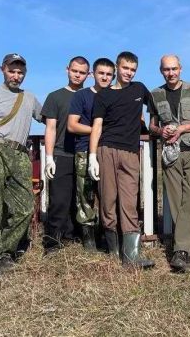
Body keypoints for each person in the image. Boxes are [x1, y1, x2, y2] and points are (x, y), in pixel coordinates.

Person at [0, 53, 43, 277]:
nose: (16, 76)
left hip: (20, 154)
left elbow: (48, 118)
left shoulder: (29, 98)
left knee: (24, 207)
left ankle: (3, 251)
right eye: (12, 71)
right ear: (2, 69)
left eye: (20, 72)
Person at [88, 51, 154, 269]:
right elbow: (97, 126)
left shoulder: (139, 89)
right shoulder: (103, 95)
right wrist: (92, 156)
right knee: (107, 200)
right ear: (118, 68)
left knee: (129, 201)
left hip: (130, 152)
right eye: (126, 68)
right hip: (106, 149)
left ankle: (131, 255)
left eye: (133, 69)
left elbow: (155, 108)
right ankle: (112, 248)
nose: (129, 73)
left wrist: (154, 126)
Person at [148, 55, 190, 273]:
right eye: (166, 69)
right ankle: (184, 251)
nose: (171, 73)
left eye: (174, 68)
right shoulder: (155, 94)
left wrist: (182, 129)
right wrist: (160, 131)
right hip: (170, 152)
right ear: (161, 71)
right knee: (175, 199)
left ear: (181, 69)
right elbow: (152, 125)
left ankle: (181, 249)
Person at [41, 56, 90, 255]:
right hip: (62, 153)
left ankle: (74, 235)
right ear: (67, 69)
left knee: (81, 198)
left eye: (82, 72)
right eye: (75, 71)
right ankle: (53, 242)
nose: (78, 75)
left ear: (89, 74)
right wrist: (49, 156)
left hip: (84, 153)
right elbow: (51, 128)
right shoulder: (55, 97)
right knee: (59, 199)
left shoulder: (91, 96)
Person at [67, 58, 116, 251]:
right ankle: (89, 241)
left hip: (111, 151)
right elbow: (72, 125)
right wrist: (97, 131)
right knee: (85, 195)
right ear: (93, 74)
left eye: (109, 74)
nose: (105, 77)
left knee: (109, 196)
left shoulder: (117, 95)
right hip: (84, 151)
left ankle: (108, 236)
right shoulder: (82, 96)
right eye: (101, 73)